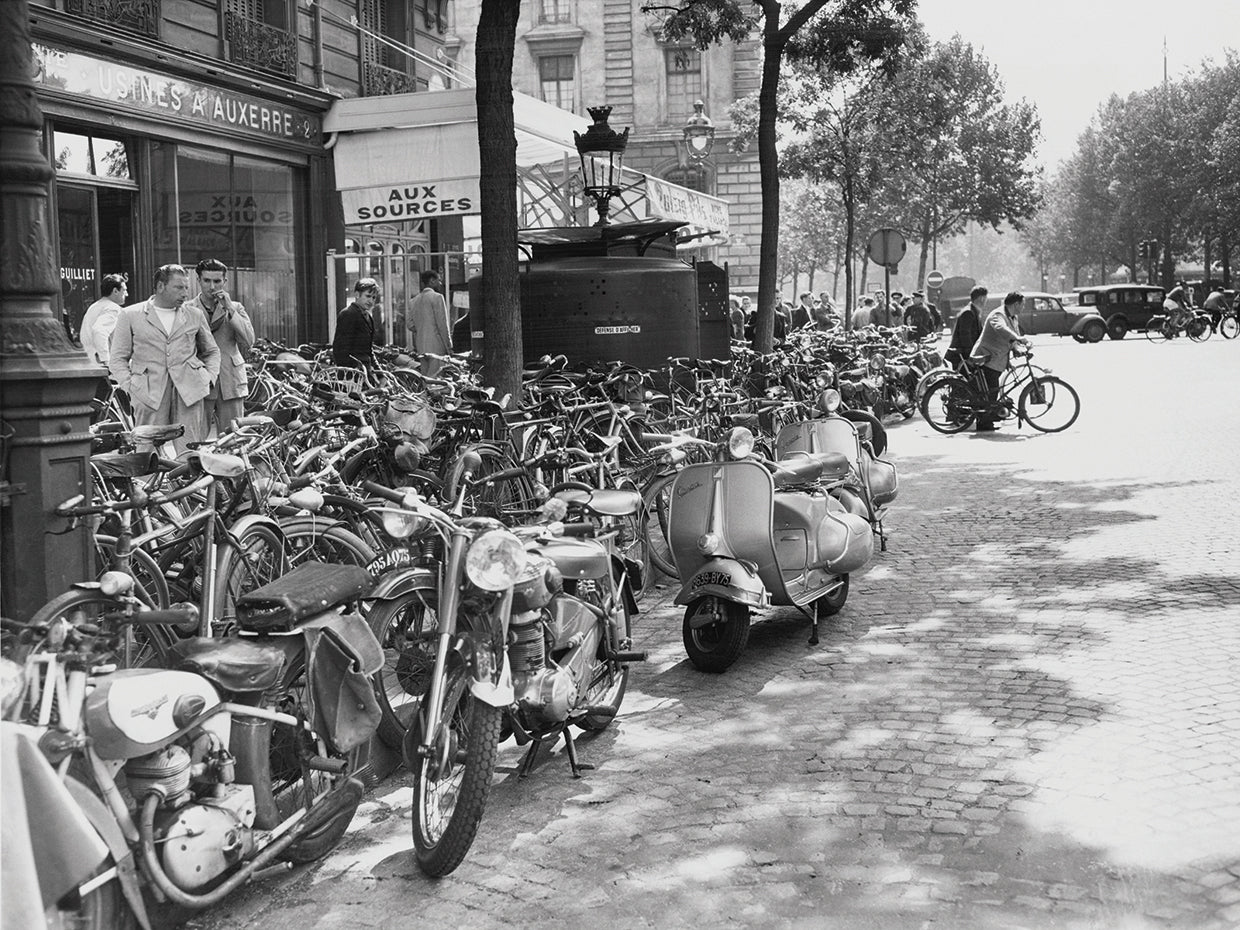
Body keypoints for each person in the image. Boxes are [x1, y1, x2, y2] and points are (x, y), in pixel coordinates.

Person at [109, 264, 220, 453]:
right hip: (148, 392)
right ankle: (147, 483)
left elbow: (212, 351)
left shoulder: (194, 314)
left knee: (190, 452)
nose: (185, 293)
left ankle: (187, 481)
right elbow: (118, 358)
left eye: (186, 287)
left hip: (190, 391)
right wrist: (131, 386)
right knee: (146, 452)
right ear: (161, 286)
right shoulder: (130, 315)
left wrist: (208, 378)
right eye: (179, 287)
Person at [186, 259, 254, 433]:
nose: (212, 286)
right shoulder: (187, 309)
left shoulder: (236, 308)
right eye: (207, 281)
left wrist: (229, 308)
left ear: (224, 282)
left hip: (229, 379)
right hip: (200, 379)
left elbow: (249, 340)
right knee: (196, 438)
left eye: (217, 281)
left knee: (233, 437)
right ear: (198, 280)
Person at [970, 291, 1029, 432]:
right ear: (1016, 304)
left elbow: (1012, 339)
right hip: (986, 358)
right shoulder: (998, 315)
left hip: (997, 359)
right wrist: (1018, 338)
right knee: (990, 392)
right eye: (1023, 304)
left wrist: (1018, 347)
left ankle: (987, 421)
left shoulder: (1013, 318)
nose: (1024, 307)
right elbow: (1001, 329)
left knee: (992, 391)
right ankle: (984, 423)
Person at [407, 268, 453, 376]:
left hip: (421, 346)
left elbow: (410, 325)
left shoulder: (413, 301)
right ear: (432, 281)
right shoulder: (437, 297)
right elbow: (442, 324)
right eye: (439, 280)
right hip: (437, 346)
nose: (440, 283)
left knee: (425, 378)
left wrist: (421, 329)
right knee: (436, 379)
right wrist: (449, 346)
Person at [80, 274, 128, 367]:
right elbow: (99, 331)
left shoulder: (95, 306)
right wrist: (106, 361)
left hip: (90, 362)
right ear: (115, 291)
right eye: (124, 290)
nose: (126, 294)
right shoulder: (112, 308)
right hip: (101, 367)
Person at [333, 278, 381, 369]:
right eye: (368, 296)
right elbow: (340, 350)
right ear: (357, 294)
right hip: (352, 374)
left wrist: (380, 374)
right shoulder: (347, 314)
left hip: (365, 371)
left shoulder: (368, 317)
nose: (371, 301)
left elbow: (369, 350)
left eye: (374, 297)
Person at [945, 286, 988, 371]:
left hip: (964, 355)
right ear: (981, 299)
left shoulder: (973, 311)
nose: (986, 300)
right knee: (964, 382)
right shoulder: (968, 313)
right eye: (986, 298)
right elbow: (965, 336)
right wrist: (971, 355)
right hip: (961, 356)